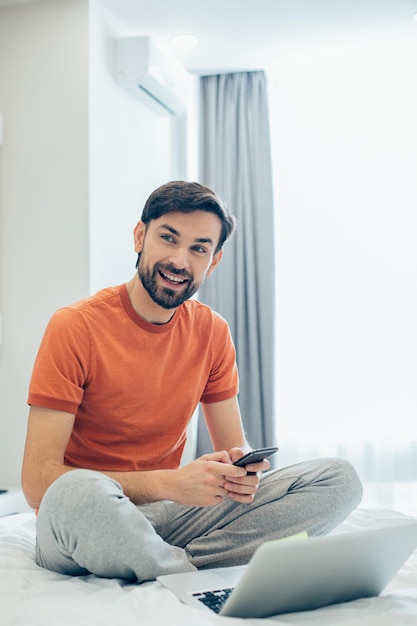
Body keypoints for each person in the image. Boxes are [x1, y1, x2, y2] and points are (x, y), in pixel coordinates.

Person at [22, 180, 362, 582]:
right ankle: (187, 570)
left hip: (167, 517)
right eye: (169, 238)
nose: (180, 260)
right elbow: (38, 483)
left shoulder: (212, 331)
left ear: (213, 261)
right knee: (75, 493)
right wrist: (171, 483)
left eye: (199, 248)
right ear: (139, 236)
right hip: (85, 521)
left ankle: (169, 564)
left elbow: (234, 448)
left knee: (339, 480)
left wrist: (240, 474)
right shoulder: (75, 326)